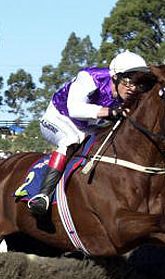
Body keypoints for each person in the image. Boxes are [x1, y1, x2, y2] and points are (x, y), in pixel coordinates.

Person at [28, 50, 150, 217]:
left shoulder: (132, 94)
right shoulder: (90, 77)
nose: (133, 88)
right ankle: (43, 195)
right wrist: (110, 112)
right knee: (71, 139)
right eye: (129, 81)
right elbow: (75, 109)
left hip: (88, 127)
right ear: (116, 77)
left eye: (137, 83)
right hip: (58, 118)